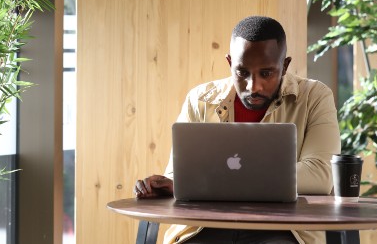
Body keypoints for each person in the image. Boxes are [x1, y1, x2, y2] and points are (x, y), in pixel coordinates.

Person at [133, 16, 341, 244]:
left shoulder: (314, 97)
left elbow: (320, 177)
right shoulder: (200, 100)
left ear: (285, 66)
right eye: (242, 73)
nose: (254, 86)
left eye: (266, 73)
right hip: (205, 227)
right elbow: (180, 175)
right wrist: (165, 185)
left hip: (285, 230)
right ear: (230, 63)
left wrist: (213, 180)